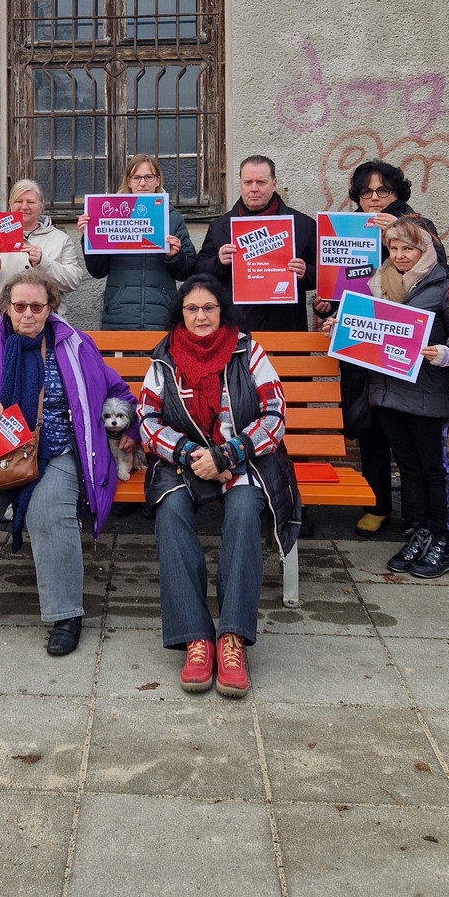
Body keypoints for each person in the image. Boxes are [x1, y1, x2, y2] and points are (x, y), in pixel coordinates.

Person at [0, 270, 137, 654]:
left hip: (56, 449)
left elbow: (116, 389)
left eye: (37, 307)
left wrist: (130, 429)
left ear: (51, 307)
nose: (28, 314)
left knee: (49, 511)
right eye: (20, 305)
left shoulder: (74, 345)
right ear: (6, 306)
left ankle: (66, 615)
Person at [139, 275, 298, 698]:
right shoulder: (163, 357)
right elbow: (147, 421)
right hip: (184, 461)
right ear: (181, 314)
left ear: (221, 311)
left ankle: (232, 637)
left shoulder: (248, 351)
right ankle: (196, 637)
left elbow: (275, 414)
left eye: (209, 307)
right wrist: (192, 454)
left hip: (241, 459)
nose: (201, 316)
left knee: (244, 511)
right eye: (192, 309)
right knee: (170, 513)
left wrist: (227, 455)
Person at [326, 219, 449, 579]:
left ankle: (443, 540)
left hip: (425, 394)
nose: (400, 255)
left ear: (425, 250)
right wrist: (340, 327)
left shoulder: (446, 286)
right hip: (386, 394)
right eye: (394, 248)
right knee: (409, 469)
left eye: (408, 248)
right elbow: (368, 333)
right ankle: (417, 534)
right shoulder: (377, 283)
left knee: (434, 469)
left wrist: (447, 353)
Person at [314, 160, 443, 537]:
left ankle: (422, 515)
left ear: (396, 192)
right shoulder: (346, 227)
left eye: (382, 190)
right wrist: (326, 304)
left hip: (400, 342)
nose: (374, 198)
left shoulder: (418, 224)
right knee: (368, 426)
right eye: (366, 192)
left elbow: (438, 268)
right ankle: (377, 504)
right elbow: (340, 282)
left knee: (408, 433)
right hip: (360, 339)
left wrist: (399, 230)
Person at [195, 154, 316, 333]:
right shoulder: (220, 227)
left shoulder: (302, 225)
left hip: (286, 328)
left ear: (274, 184)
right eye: (248, 182)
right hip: (236, 328)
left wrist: (305, 273)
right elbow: (199, 272)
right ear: (240, 184)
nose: (254, 189)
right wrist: (218, 263)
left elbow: (324, 275)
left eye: (261, 182)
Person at [76, 153, 197, 328]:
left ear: (157, 181)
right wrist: (90, 237)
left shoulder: (172, 218)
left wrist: (174, 256)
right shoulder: (110, 215)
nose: (142, 183)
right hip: (119, 315)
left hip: (162, 315)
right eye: (137, 177)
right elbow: (98, 271)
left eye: (148, 177)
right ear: (129, 182)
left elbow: (187, 271)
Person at [0, 178, 82, 321]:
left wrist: (44, 263)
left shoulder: (60, 239)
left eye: (31, 202)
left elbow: (73, 281)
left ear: (41, 206)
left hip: (45, 324)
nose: (24, 207)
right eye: (19, 201)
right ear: (10, 204)